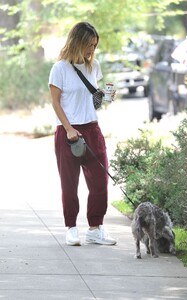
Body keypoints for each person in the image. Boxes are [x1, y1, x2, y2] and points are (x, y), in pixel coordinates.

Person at [48, 21, 116, 246]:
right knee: (70, 184)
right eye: (88, 45)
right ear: (76, 42)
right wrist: (69, 129)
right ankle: (71, 228)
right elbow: (56, 103)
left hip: (92, 129)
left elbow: (91, 101)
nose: (91, 50)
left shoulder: (93, 66)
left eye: (94, 45)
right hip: (68, 132)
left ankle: (95, 228)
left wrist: (107, 96)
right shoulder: (59, 69)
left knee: (99, 182)